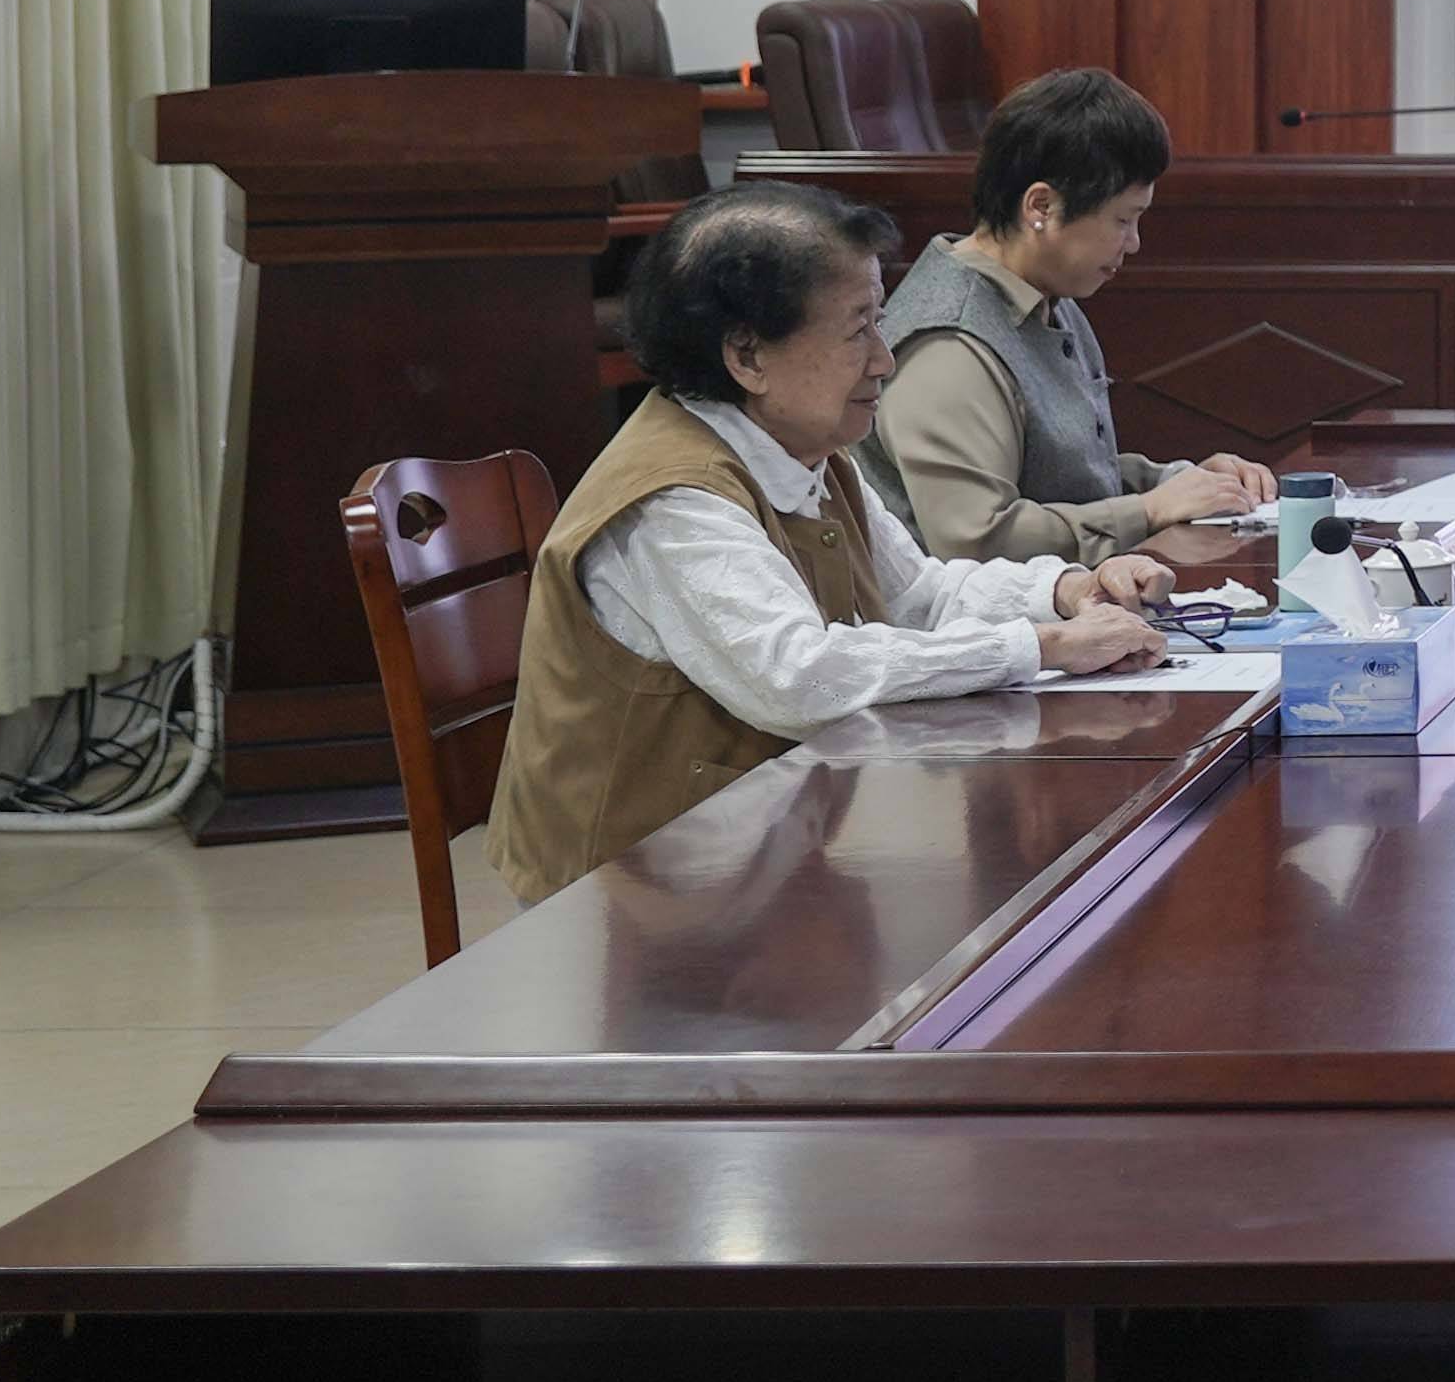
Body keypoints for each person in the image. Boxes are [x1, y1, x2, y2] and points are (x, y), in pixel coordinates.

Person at [494, 187, 1177, 905]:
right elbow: (797, 679)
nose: (884, 360)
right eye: (858, 332)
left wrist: (1067, 591)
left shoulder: (804, 449)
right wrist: (1042, 647)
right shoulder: (674, 501)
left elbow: (918, 596)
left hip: (761, 851)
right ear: (748, 355)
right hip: (636, 899)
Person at [863, 66, 1282, 559]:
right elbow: (975, 541)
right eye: (1123, 220)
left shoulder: (1043, 291)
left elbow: (1061, 474)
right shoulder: (948, 344)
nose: (1135, 243)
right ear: (1040, 206)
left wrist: (1183, 483)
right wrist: (1148, 511)